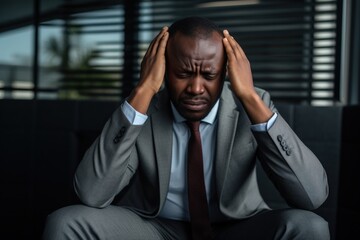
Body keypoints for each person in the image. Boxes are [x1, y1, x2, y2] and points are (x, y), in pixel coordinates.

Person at [43, 16, 330, 240]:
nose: (195, 88)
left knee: (310, 227)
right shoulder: (145, 108)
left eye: (209, 75)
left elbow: (313, 195)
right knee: (65, 222)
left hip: (236, 228)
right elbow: (91, 194)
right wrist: (143, 91)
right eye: (182, 73)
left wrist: (251, 99)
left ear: (226, 73)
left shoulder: (252, 105)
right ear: (164, 68)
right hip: (154, 228)